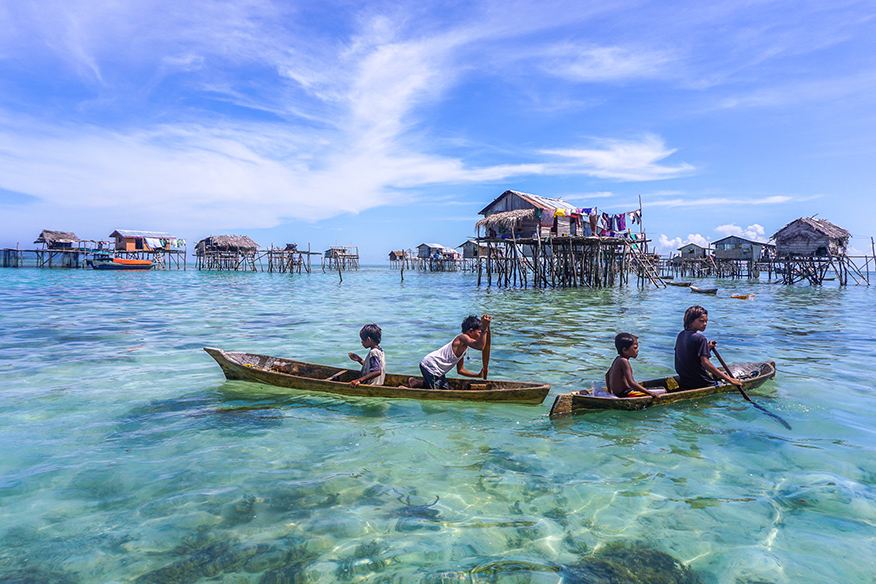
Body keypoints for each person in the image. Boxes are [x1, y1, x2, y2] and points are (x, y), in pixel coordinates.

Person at [408, 315, 491, 389]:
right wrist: (484, 327)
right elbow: (480, 346)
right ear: (471, 331)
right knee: (437, 394)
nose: (480, 335)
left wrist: (478, 375)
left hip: (438, 371)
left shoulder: (464, 348)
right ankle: (404, 388)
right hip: (430, 366)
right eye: (479, 333)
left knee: (446, 390)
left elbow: (460, 370)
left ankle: (416, 383)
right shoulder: (462, 338)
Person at [674, 306, 742, 390]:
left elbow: (689, 356)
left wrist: (707, 348)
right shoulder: (700, 338)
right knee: (721, 384)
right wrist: (729, 379)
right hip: (701, 382)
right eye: (701, 321)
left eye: (706, 321)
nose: (705, 324)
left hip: (685, 381)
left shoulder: (681, 335)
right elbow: (706, 363)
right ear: (690, 321)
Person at [605, 333, 665, 398]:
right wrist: (650, 393)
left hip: (619, 393)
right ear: (625, 350)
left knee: (659, 388)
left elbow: (607, 375)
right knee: (664, 390)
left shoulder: (617, 359)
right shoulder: (624, 361)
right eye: (635, 348)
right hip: (626, 394)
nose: (637, 351)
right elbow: (631, 383)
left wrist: (610, 392)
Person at [347, 324, 386, 388]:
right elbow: (373, 366)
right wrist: (359, 360)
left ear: (368, 339)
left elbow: (377, 371)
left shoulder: (373, 352)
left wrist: (359, 380)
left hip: (372, 385)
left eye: (363, 340)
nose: (362, 342)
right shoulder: (380, 351)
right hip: (379, 384)